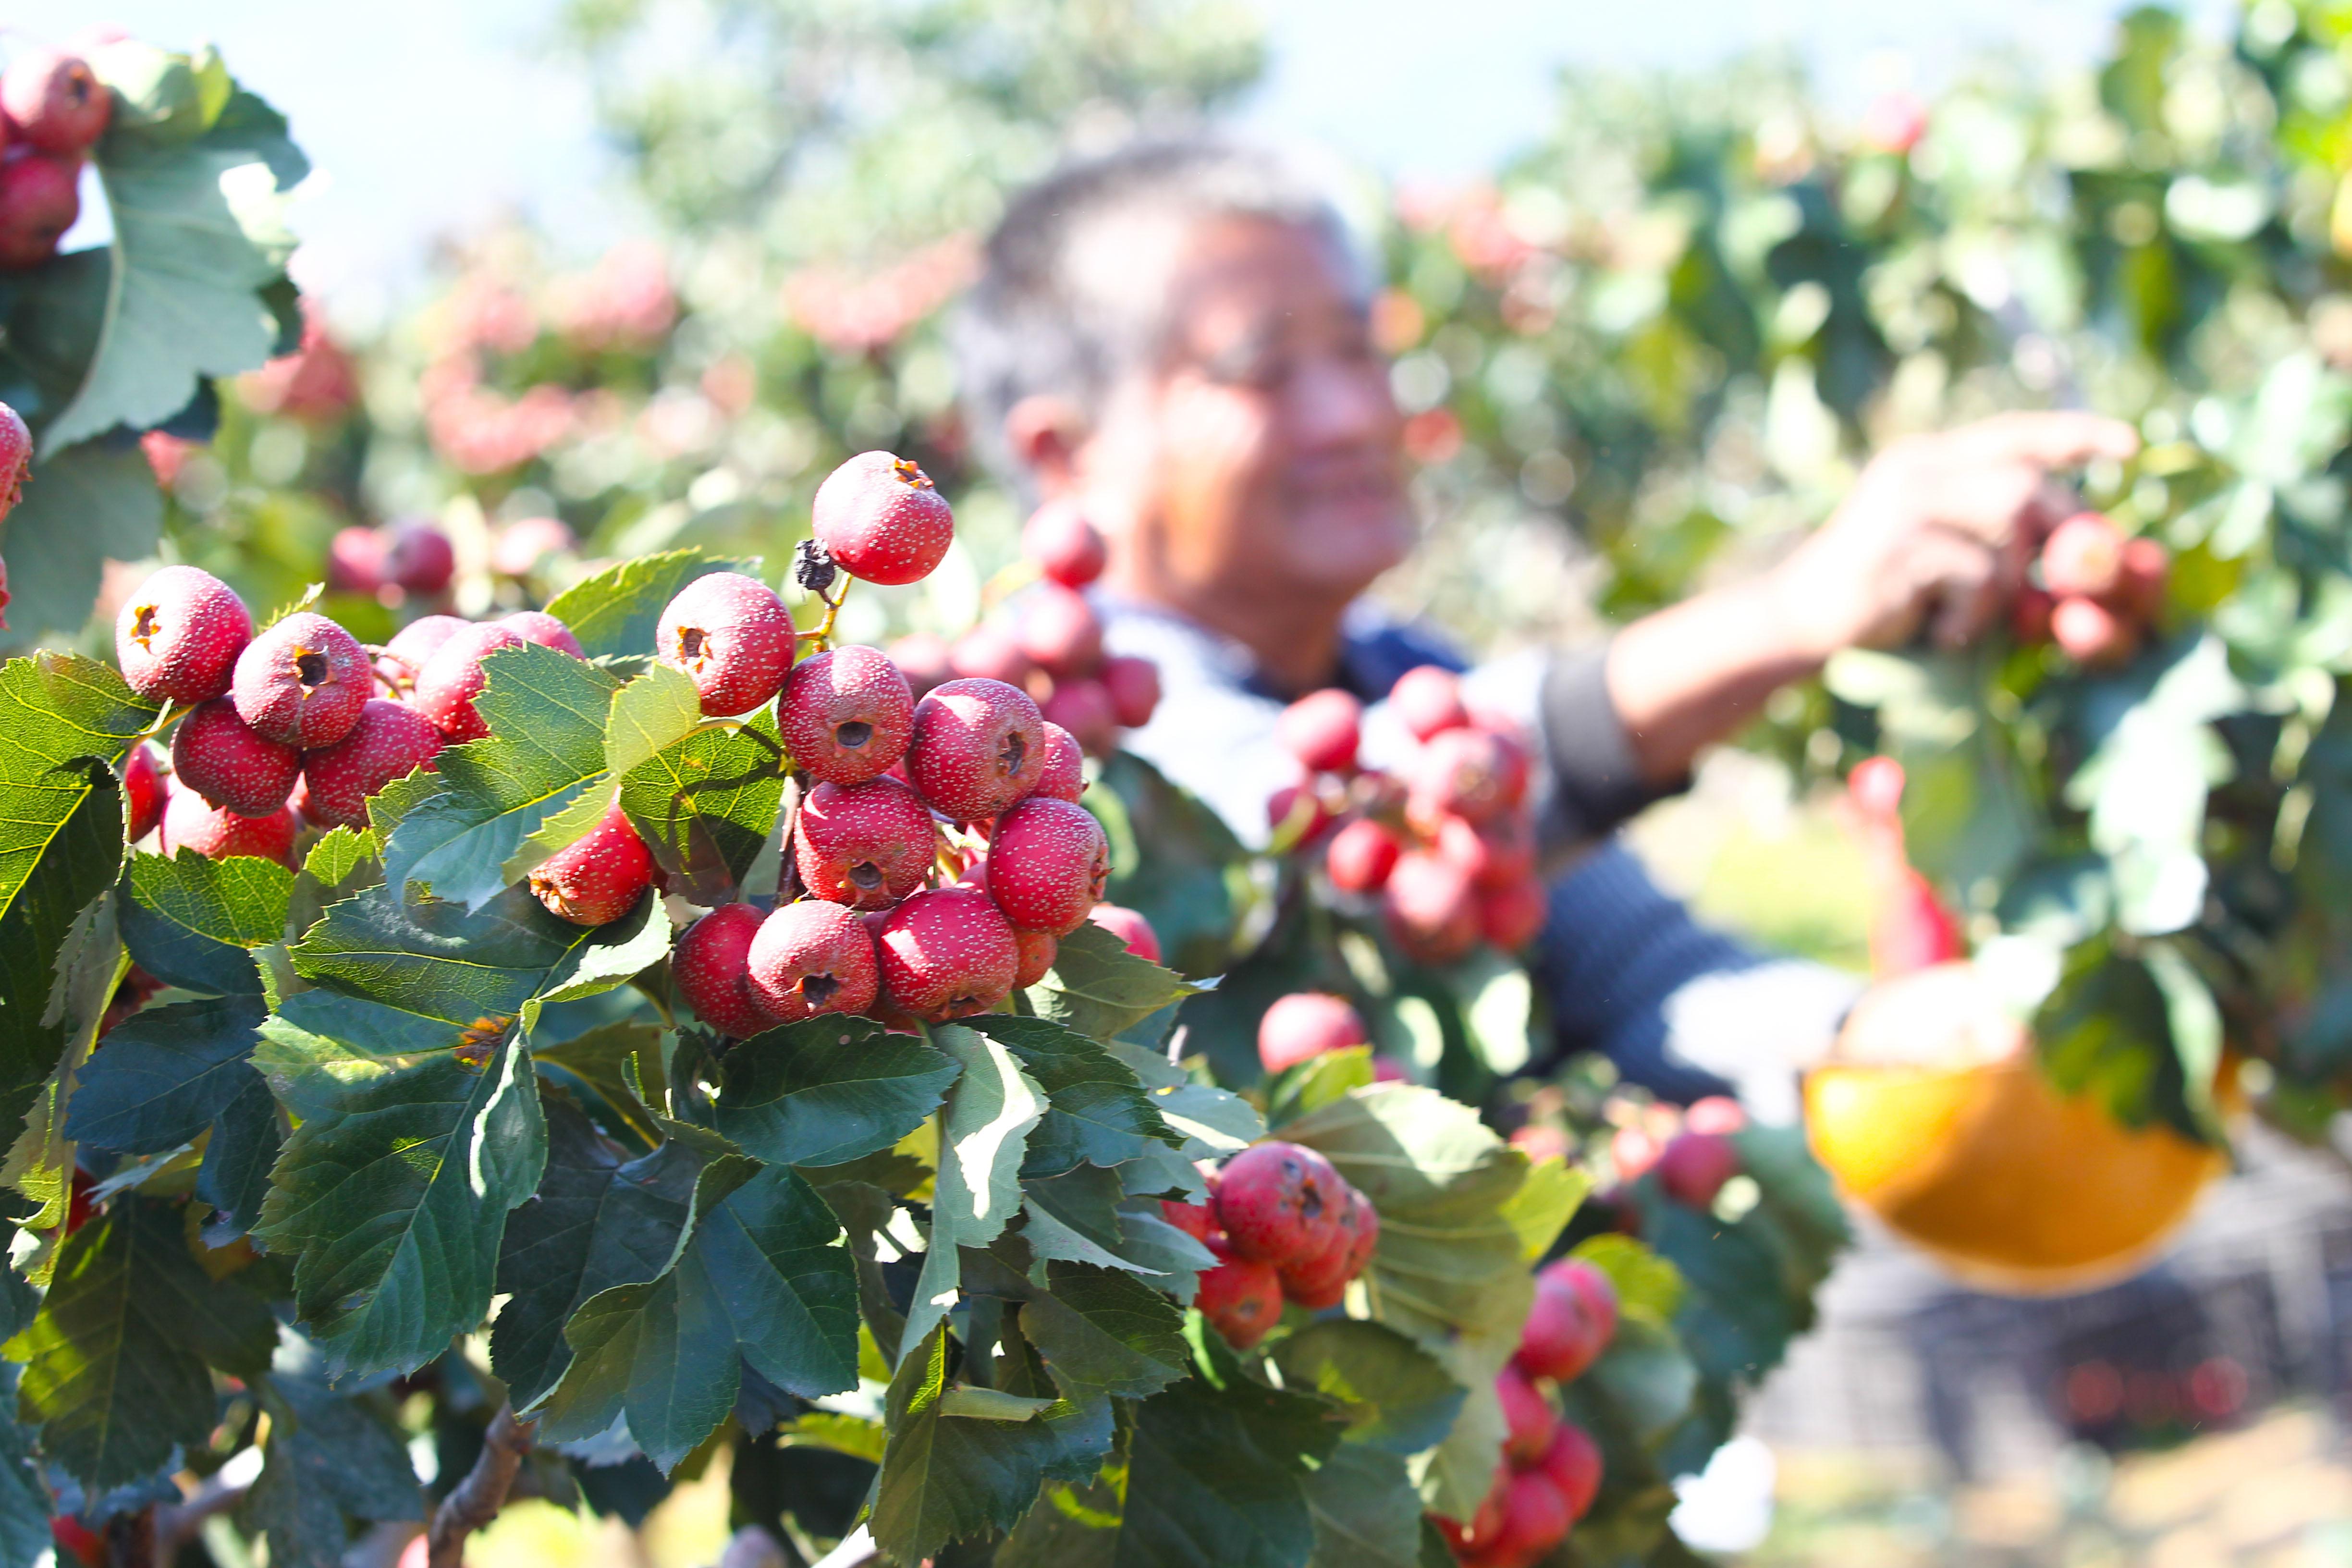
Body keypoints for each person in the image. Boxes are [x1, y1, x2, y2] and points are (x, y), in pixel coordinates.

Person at [951, 140, 2137, 1120]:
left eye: (1363, 349)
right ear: (1068, 456)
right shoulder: (1016, 749)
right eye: (1264, 370)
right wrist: (1795, 612)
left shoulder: (1406, 674)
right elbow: (1286, 827)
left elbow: (1635, 970)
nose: (1360, 413)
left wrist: (1893, 1040)